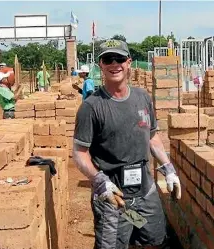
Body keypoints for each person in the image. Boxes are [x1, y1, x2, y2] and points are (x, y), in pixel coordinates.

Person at [73, 39, 181, 249]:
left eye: (120, 58)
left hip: (144, 192)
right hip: (113, 197)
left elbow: (152, 136)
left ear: (129, 62)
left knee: (152, 241)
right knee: (113, 245)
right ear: (100, 65)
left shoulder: (142, 98)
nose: (115, 64)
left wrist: (168, 168)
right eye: (108, 59)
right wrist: (99, 181)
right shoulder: (91, 107)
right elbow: (80, 153)